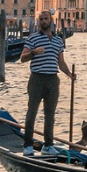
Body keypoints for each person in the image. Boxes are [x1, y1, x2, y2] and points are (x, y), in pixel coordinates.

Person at [18, 10, 75, 156]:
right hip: (37, 78)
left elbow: (60, 62)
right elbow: (22, 58)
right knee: (32, 112)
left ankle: (48, 145)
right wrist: (33, 53)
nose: (43, 21)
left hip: (52, 80)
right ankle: (28, 145)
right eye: (41, 19)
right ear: (39, 21)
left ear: (51, 20)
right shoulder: (33, 39)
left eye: (46, 19)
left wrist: (69, 74)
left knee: (50, 114)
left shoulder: (58, 41)